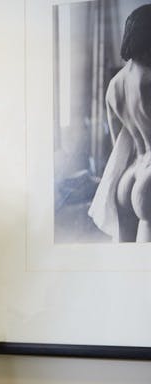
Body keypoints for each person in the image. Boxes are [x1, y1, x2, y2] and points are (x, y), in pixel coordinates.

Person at [88, 4, 151, 242]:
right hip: (149, 179)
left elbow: (118, 144)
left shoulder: (114, 85)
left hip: (127, 177)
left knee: (126, 258)